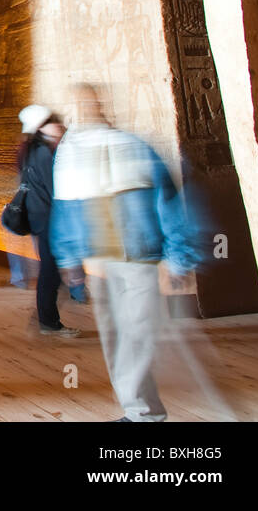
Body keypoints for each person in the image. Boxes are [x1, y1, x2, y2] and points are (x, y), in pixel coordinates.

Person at [50, 83, 199, 421]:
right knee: (117, 338)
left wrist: (178, 255)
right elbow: (67, 211)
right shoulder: (72, 153)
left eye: (87, 104)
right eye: (78, 105)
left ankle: (144, 413)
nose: (84, 110)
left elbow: (169, 201)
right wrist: (70, 258)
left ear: (100, 105)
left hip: (139, 257)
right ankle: (137, 409)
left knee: (138, 335)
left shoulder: (132, 146)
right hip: (102, 261)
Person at [16, 104, 79, 337]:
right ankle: (48, 322)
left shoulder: (36, 150)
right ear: (41, 127)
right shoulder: (43, 153)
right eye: (54, 121)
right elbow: (55, 189)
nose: (59, 124)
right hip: (47, 219)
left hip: (42, 218)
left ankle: (47, 319)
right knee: (50, 272)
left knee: (51, 271)